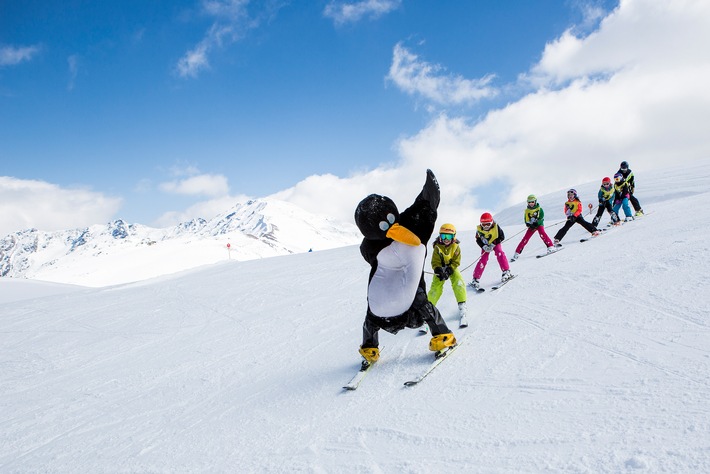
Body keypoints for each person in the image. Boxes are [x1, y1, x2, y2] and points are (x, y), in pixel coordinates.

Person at [353, 169, 456, 367]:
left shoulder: (408, 225)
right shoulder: (370, 244)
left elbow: (424, 206)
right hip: (385, 283)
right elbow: (368, 254)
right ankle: (369, 347)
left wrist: (429, 191)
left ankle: (443, 335)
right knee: (372, 314)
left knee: (421, 304)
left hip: (411, 278)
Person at [425, 223, 468, 331]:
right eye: (443, 236)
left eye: (448, 236)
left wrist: (449, 270)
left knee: (458, 282)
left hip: (451, 268)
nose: (446, 239)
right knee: (435, 288)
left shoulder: (456, 247)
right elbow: (435, 261)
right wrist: (438, 269)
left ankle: (462, 306)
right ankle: (428, 312)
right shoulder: (437, 247)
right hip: (440, 269)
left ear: (453, 237)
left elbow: (456, 261)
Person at [469, 213, 512, 290]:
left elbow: (502, 236)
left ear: (491, 223)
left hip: (495, 243)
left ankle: (506, 271)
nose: (486, 227)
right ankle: (475, 279)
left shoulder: (496, 227)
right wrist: (483, 246)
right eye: (484, 224)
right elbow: (478, 239)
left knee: (499, 253)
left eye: (488, 224)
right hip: (485, 246)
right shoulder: (479, 230)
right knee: (483, 259)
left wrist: (494, 243)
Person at [511, 194, 555, 261]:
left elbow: (541, 218)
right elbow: (526, 219)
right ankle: (517, 253)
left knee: (542, 233)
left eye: (532, 202)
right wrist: (529, 224)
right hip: (532, 226)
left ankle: (550, 247)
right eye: (529, 202)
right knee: (525, 238)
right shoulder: (527, 211)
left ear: (535, 201)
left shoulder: (539, 209)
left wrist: (537, 223)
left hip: (539, 224)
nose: (531, 203)